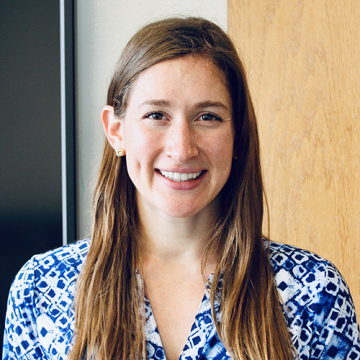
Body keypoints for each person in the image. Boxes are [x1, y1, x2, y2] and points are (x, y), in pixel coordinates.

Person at [2, 17, 360, 360]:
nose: (182, 148)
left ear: (238, 136)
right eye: (156, 115)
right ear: (116, 130)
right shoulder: (40, 289)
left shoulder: (314, 291)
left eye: (208, 117)